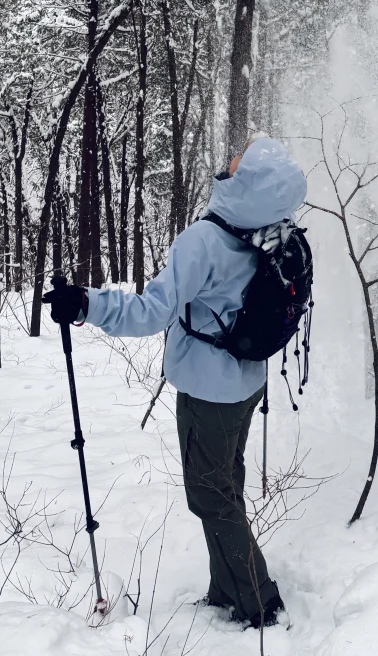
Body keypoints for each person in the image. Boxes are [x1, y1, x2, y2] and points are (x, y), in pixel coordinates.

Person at [41, 133, 307, 629]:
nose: (228, 162)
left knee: (210, 495)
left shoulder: (204, 242)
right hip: (247, 385)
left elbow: (150, 312)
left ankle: (258, 601)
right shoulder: (272, 231)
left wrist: (85, 303)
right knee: (225, 485)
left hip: (209, 393)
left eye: (238, 161)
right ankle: (226, 589)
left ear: (247, 181)